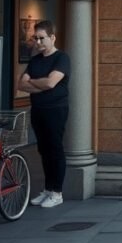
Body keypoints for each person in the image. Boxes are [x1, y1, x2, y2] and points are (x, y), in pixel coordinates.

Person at [17, 20, 70, 208]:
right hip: (38, 110)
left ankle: (57, 192)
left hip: (56, 110)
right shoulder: (35, 60)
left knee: (55, 149)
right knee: (43, 150)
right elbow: (21, 84)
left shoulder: (61, 58)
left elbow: (51, 83)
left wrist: (37, 83)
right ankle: (48, 189)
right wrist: (43, 84)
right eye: (35, 38)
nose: (38, 42)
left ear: (52, 38)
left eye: (42, 38)